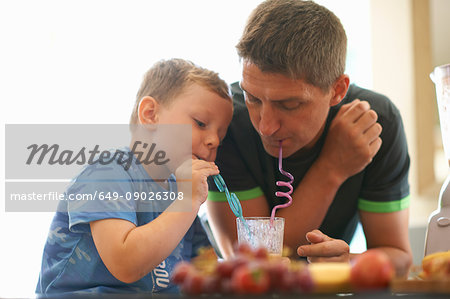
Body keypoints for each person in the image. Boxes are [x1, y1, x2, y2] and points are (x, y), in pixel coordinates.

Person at [206, 0, 412, 277]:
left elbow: (399, 258)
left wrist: (347, 263)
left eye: (289, 105)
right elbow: (252, 263)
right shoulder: (226, 121)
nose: (265, 126)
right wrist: (332, 168)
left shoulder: (375, 123)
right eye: (252, 98)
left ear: (337, 90)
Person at [36, 58, 233, 293]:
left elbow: (208, 271)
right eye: (201, 123)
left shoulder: (179, 190)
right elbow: (125, 264)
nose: (214, 140)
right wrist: (188, 201)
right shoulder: (107, 172)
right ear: (150, 115)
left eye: (221, 134)